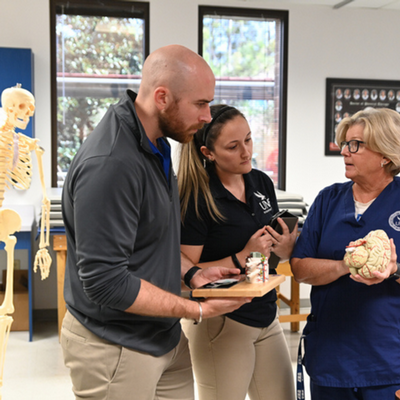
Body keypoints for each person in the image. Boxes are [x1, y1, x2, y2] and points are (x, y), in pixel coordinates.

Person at [60, 45, 251, 400]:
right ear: (162, 97)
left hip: (162, 335)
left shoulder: (157, 144)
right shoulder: (112, 163)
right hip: (114, 345)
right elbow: (105, 282)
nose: (208, 116)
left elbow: (150, 240)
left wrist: (192, 273)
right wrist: (195, 308)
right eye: (200, 104)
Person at [178, 104, 297, 400]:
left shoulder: (260, 182)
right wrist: (242, 255)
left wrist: (283, 248)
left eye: (248, 139)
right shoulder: (197, 197)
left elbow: (269, 255)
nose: (246, 152)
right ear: (208, 153)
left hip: (265, 312)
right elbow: (186, 273)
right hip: (223, 321)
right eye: (233, 146)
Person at [291, 107, 400, 400]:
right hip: (331, 359)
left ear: (385, 155)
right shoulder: (328, 199)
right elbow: (300, 267)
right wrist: (344, 265)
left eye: (356, 145)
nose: (345, 152)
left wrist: (394, 270)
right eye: (345, 144)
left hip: (388, 364)